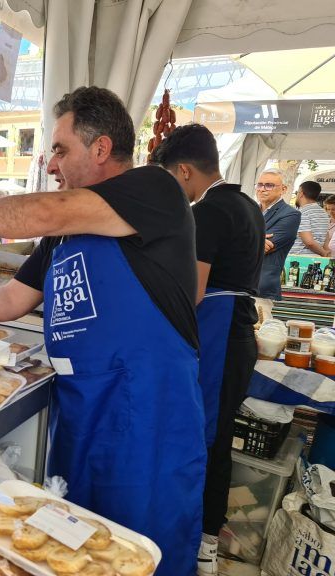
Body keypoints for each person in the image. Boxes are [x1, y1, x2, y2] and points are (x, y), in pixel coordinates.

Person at [0, 86, 206, 575]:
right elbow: (11, 299)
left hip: (147, 414)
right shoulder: (63, 233)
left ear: (100, 149)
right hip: (79, 410)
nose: (51, 164)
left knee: (140, 552)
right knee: (72, 550)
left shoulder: (154, 189)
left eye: (59, 148)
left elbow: (44, 209)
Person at [151, 124, 265, 576]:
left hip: (218, 336)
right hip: (240, 334)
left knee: (207, 441)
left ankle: (200, 542)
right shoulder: (249, 205)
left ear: (183, 171)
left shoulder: (208, 212)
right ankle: (205, 536)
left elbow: (192, 291)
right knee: (216, 439)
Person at [256, 170, 301, 309]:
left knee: (259, 329)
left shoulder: (290, 214)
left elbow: (265, 248)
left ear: (283, 189)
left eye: (269, 185)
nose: (262, 189)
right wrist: (255, 239)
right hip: (237, 284)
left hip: (260, 287)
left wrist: (241, 239)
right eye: (260, 185)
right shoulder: (250, 210)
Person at [290, 180, 328, 256]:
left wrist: (324, 253)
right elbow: (326, 237)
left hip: (300, 259)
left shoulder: (302, 213)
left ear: (301, 193)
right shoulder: (324, 213)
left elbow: (309, 242)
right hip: (316, 259)